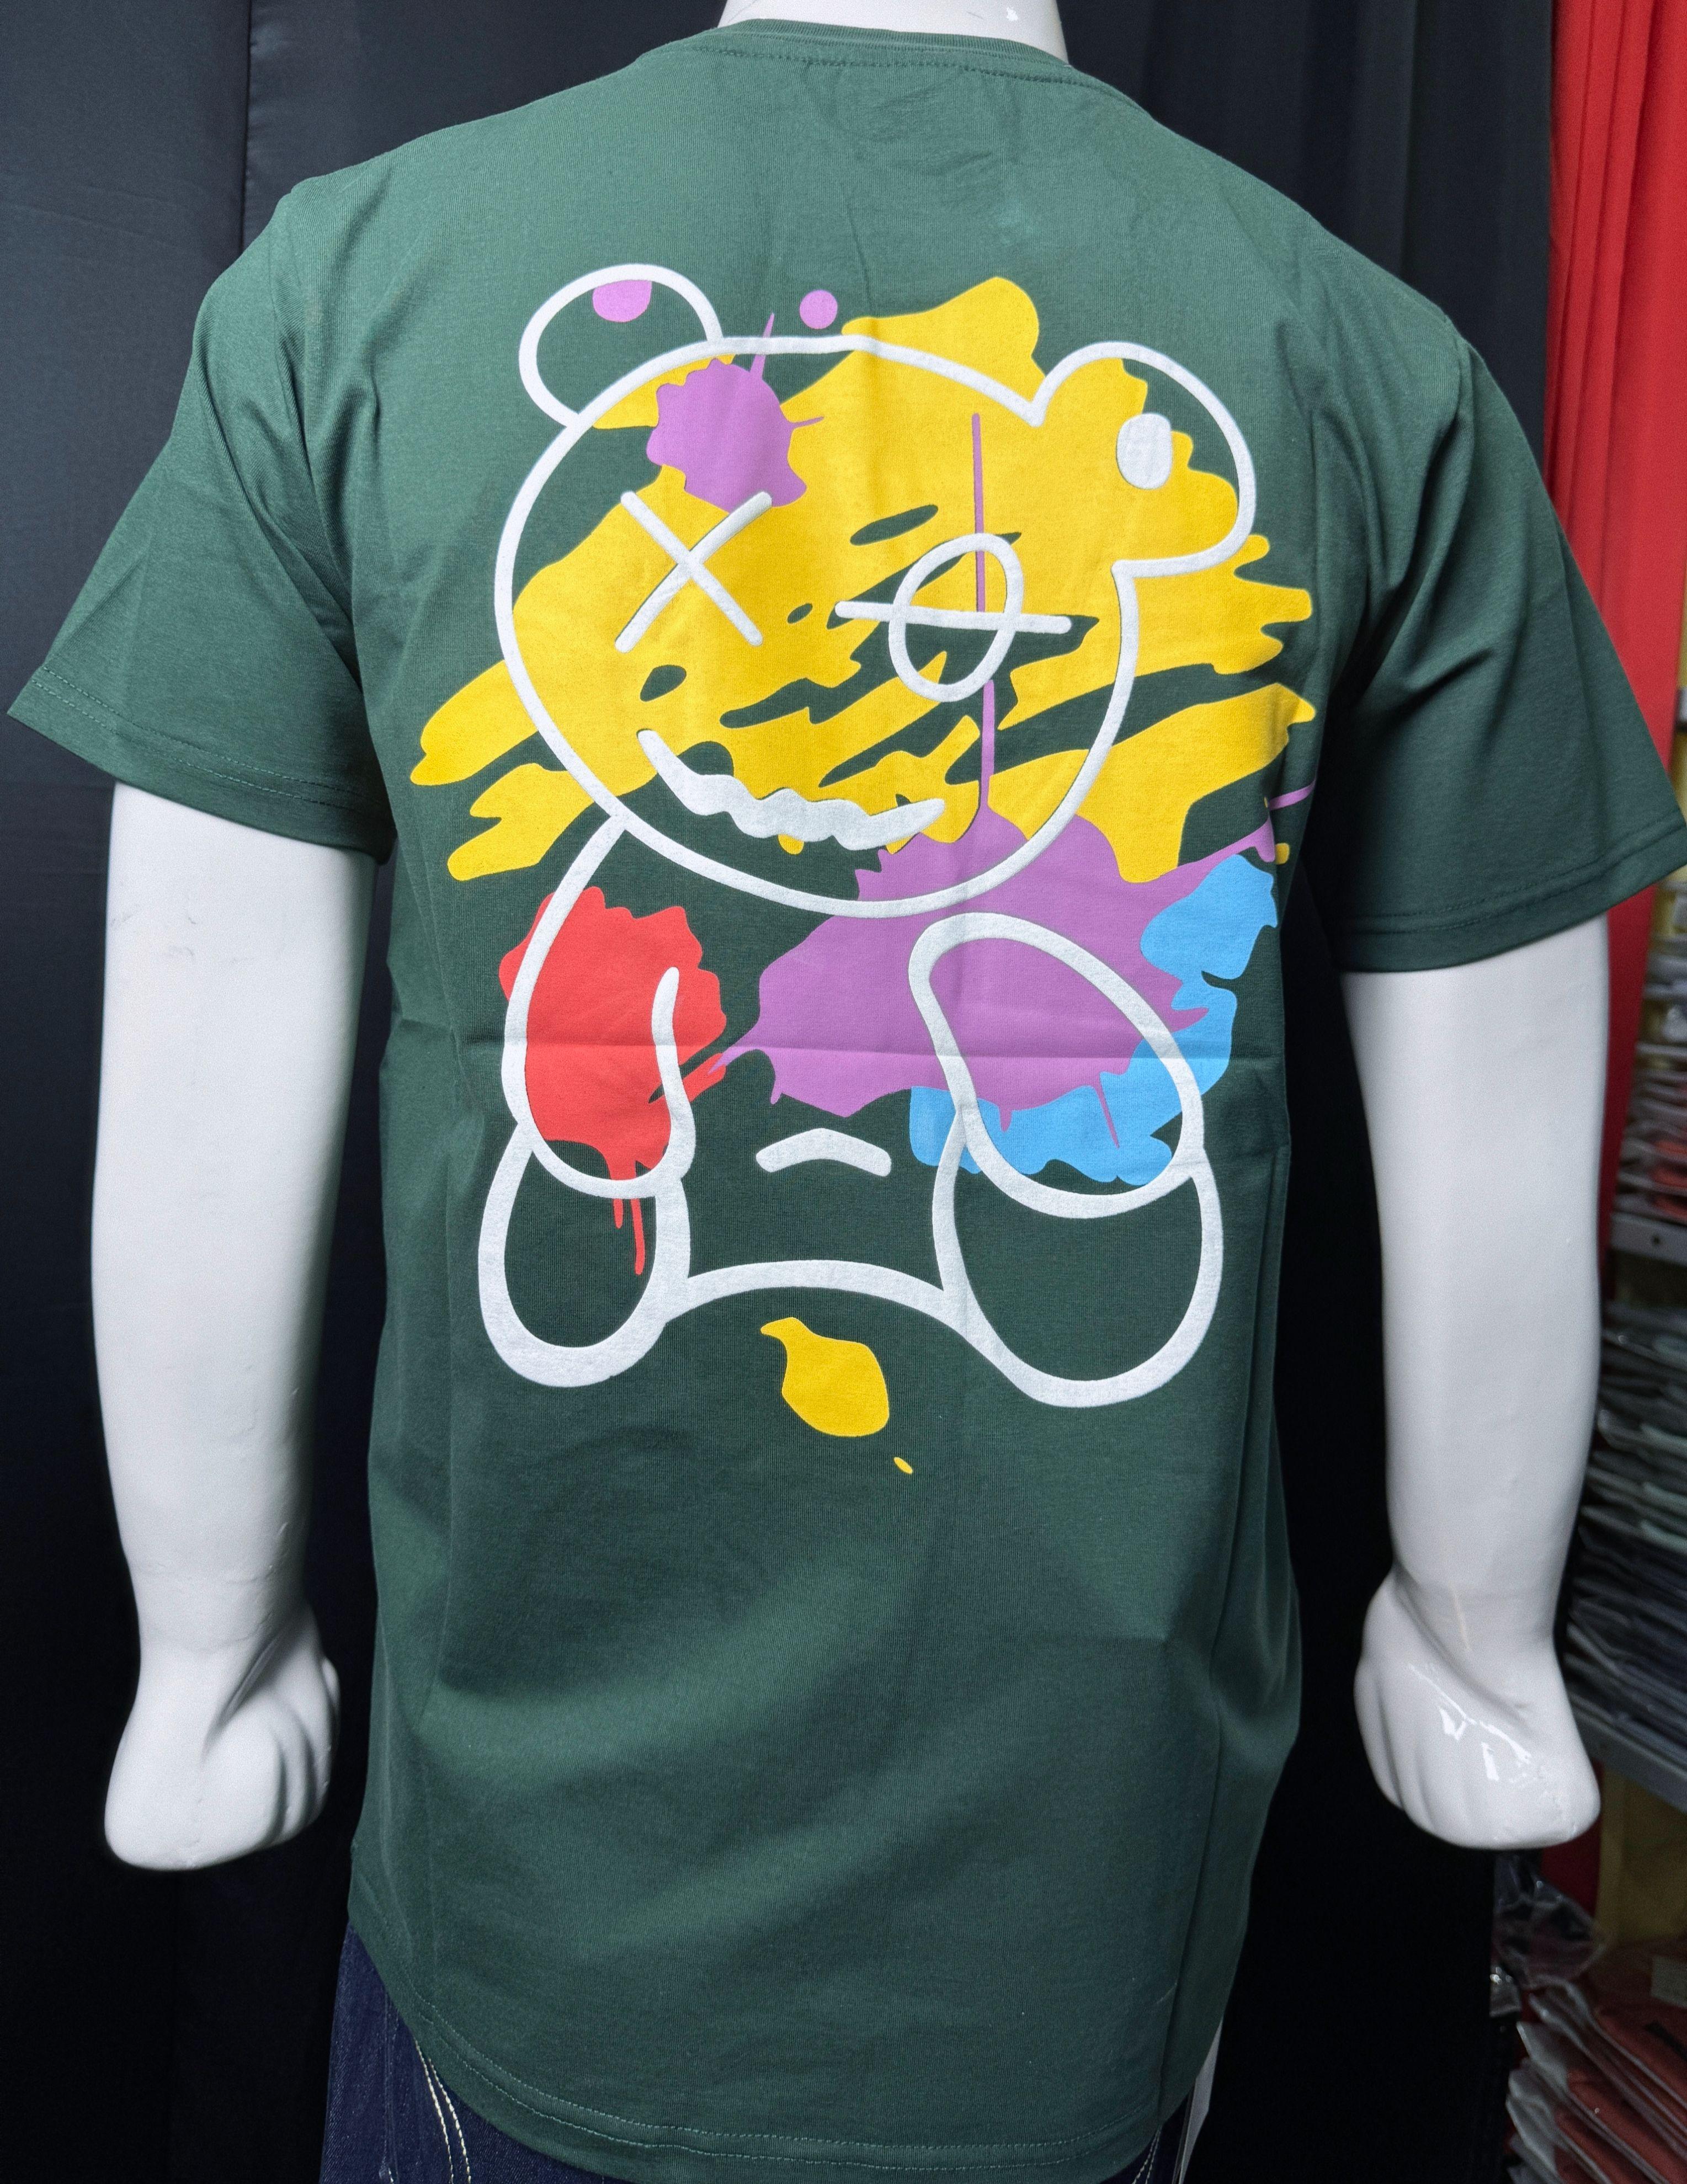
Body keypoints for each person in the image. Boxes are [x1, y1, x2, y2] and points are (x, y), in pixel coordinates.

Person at [13, 4, 1680, 2181]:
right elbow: (1499, 1102)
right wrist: (1477, 1646)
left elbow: (201, 1051)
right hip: (1074, 1919)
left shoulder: (359, 290)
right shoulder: (1352, 354)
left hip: (545, 1893)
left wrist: (211, 1663)